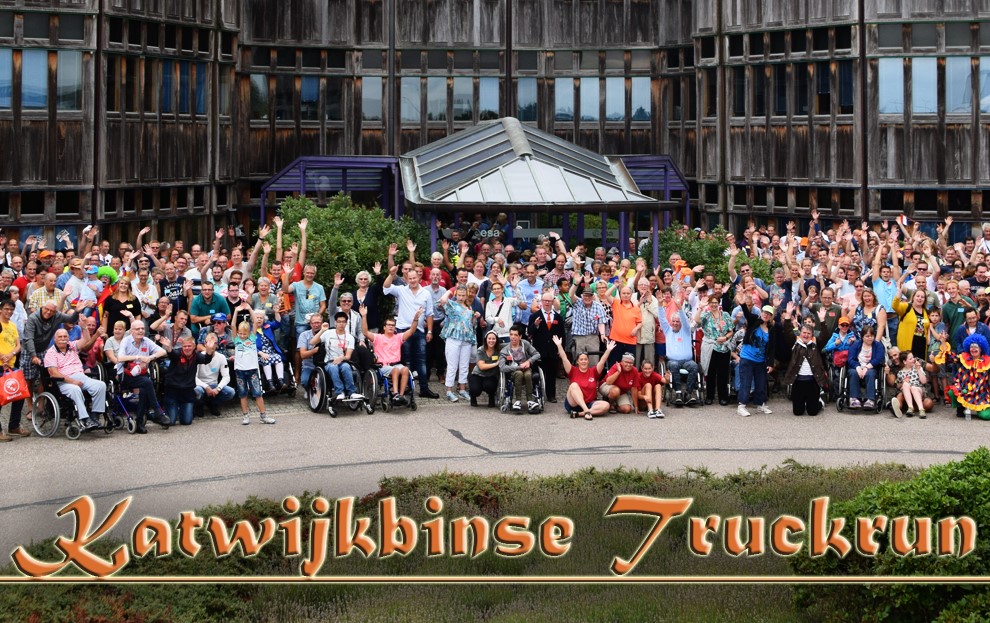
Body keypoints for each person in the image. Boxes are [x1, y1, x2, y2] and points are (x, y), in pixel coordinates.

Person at [361, 305, 422, 406]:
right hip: (383, 366)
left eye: (393, 325)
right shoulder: (378, 337)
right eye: (389, 325)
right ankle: (395, 394)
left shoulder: (398, 337)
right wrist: (364, 316)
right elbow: (365, 332)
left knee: (405, 369)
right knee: (395, 370)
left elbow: (411, 331)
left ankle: (401, 395)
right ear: (384, 327)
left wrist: (415, 318)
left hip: (396, 364)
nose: (391, 327)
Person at [115, 319, 168, 434]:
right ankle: (158, 411)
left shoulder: (146, 341)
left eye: (142, 328)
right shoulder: (126, 341)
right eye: (137, 329)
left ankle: (139, 422)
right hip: (125, 374)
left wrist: (150, 358)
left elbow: (163, 352)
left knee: (144, 389)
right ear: (131, 331)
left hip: (141, 374)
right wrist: (138, 357)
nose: (140, 331)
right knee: (147, 382)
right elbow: (120, 358)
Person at [553, 334, 615, 420]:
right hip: (574, 404)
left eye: (585, 359)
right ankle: (586, 411)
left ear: (588, 361)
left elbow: (602, 361)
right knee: (574, 385)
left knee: (606, 405)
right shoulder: (572, 370)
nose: (583, 361)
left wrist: (608, 350)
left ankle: (579, 414)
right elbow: (564, 358)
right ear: (577, 362)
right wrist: (559, 346)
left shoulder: (594, 371)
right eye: (581, 359)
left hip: (589, 403)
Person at [232, 320, 275, 425]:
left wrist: (250, 311)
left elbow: (255, 323)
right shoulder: (236, 339)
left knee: (257, 393)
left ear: (249, 333)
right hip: (240, 371)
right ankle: (245, 415)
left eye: (244, 334)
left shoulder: (252, 338)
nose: (242, 336)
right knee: (242, 394)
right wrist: (236, 312)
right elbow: (233, 325)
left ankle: (263, 416)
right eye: (240, 333)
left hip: (252, 370)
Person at [439, 285, 477, 402]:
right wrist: (450, 291)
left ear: (466, 295)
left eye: (463, 295)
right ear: (456, 295)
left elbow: (470, 324)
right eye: (459, 295)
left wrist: (475, 318)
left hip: (466, 339)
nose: (461, 297)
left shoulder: (469, 307)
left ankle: (462, 389)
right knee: (452, 365)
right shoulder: (451, 304)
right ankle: (449, 390)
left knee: (464, 365)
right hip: (453, 338)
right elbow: (442, 301)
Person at [737, 302, 775, 417]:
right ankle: (741, 406)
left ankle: (760, 405)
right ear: (761, 313)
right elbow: (747, 314)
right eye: (764, 312)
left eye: (769, 314)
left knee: (761, 383)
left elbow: (772, 348)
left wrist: (770, 363)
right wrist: (743, 304)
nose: (766, 315)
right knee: (746, 382)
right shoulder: (754, 320)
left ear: (771, 316)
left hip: (760, 361)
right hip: (747, 358)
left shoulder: (771, 329)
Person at [782, 324, 829, 416]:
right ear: (800, 333)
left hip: (812, 382)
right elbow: (787, 333)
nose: (806, 335)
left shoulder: (816, 344)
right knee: (798, 412)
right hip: (798, 382)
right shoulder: (795, 343)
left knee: (812, 412)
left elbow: (825, 336)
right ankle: (803, 402)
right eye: (804, 332)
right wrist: (787, 318)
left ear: (812, 335)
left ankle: (820, 402)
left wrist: (822, 321)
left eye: (808, 333)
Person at [316, 311, 364, 402]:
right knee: (333, 367)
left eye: (343, 322)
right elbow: (312, 342)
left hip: (343, 361)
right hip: (330, 362)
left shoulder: (350, 337)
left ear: (346, 323)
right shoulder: (328, 333)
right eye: (339, 322)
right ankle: (339, 392)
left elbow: (348, 356)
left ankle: (352, 392)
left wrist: (341, 358)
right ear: (335, 322)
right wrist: (322, 330)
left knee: (346, 367)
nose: (341, 324)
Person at [162, 336, 211, 425]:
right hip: (173, 391)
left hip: (187, 392)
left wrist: (209, 350)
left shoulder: (196, 355)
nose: (187, 348)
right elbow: (172, 354)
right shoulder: (178, 353)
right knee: (171, 422)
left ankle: (180, 411)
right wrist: (169, 347)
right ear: (182, 346)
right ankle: (156, 415)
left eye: (189, 346)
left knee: (187, 421)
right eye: (185, 346)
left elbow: (206, 360)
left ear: (194, 346)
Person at [658, 301, 698, 406]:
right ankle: (678, 393)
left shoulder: (686, 330)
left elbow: (685, 320)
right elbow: (662, 319)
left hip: (687, 361)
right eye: (674, 321)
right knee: (674, 365)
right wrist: (660, 305)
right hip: (672, 361)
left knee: (694, 366)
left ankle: (688, 394)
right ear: (671, 322)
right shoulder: (668, 330)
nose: (675, 323)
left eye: (677, 321)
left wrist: (680, 308)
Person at [527, 291, 565, 403]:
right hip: (539, 350)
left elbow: (562, 334)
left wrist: (561, 349)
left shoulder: (558, 317)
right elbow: (529, 332)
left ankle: (551, 395)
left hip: (553, 350)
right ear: (541, 301)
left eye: (549, 301)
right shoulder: (534, 316)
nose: (547, 303)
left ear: (553, 302)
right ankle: (537, 394)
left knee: (551, 374)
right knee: (537, 374)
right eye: (545, 301)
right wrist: (535, 325)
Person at [0, 299, 28, 440]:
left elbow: (18, 345)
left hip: (11, 364)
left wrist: (11, 355)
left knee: (20, 394)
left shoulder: (12, 325)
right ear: (1, 309)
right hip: (1, 364)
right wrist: (2, 357)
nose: (9, 312)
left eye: (11, 309)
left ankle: (14, 426)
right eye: (6, 309)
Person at [697, 295, 733, 406]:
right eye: (711, 302)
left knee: (723, 373)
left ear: (719, 303)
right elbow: (697, 321)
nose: (714, 304)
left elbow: (731, 331)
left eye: (715, 302)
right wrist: (700, 308)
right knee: (710, 373)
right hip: (711, 346)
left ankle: (723, 397)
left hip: (724, 347)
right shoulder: (706, 315)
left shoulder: (725, 315)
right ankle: (709, 396)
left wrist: (725, 338)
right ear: (709, 304)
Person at [945, 334, 990, 420]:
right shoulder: (964, 358)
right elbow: (950, 358)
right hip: (964, 390)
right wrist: (943, 342)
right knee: (952, 392)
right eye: (971, 347)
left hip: (980, 395)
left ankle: (979, 409)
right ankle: (960, 407)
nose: (973, 349)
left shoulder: (987, 361)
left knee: (986, 416)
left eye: (976, 347)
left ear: (981, 348)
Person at [499, 324, 541, 413]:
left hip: (526, 368)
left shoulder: (525, 344)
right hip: (513, 371)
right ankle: (518, 400)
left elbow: (537, 354)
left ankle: (530, 401)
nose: (513, 337)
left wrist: (529, 361)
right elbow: (502, 367)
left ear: (520, 336)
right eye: (511, 334)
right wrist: (517, 367)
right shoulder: (505, 350)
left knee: (528, 374)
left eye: (515, 335)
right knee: (519, 373)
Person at [194, 333, 235, 416]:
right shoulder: (198, 357)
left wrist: (218, 388)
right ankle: (199, 405)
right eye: (209, 342)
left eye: (215, 343)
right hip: (200, 385)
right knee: (197, 391)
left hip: (214, 385)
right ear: (205, 344)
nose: (212, 345)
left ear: (217, 345)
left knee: (231, 392)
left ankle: (213, 404)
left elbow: (226, 377)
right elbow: (194, 377)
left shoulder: (221, 357)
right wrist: (206, 387)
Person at [847, 326, 885, 410]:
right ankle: (854, 398)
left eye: (872, 336)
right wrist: (857, 367)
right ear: (862, 337)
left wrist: (867, 367)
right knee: (853, 373)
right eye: (867, 336)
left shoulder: (878, 345)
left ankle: (870, 399)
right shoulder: (856, 344)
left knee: (870, 373)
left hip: (871, 367)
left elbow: (879, 358)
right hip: (857, 366)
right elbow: (850, 359)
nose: (870, 338)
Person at [469, 330, 501, 407]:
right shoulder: (481, 350)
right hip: (478, 374)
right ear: (486, 340)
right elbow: (481, 366)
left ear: (496, 340)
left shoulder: (499, 349)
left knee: (489, 386)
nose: (491, 341)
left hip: (491, 375)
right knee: (475, 389)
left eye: (493, 339)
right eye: (489, 338)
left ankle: (491, 397)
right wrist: (496, 364)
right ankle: (473, 397)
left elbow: (511, 345)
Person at [896, 351, 929, 418]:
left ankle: (921, 409)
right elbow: (898, 386)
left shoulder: (917, 368)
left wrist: (918, 370)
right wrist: (903, 382)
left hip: (918, 389)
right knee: (905, 384)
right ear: (905, 362)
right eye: (910, 359)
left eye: (913, 357)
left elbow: (924, 381)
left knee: (913, 388)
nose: (913, 359)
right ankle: (910, 407)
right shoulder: (900, 373)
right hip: (907, 392)